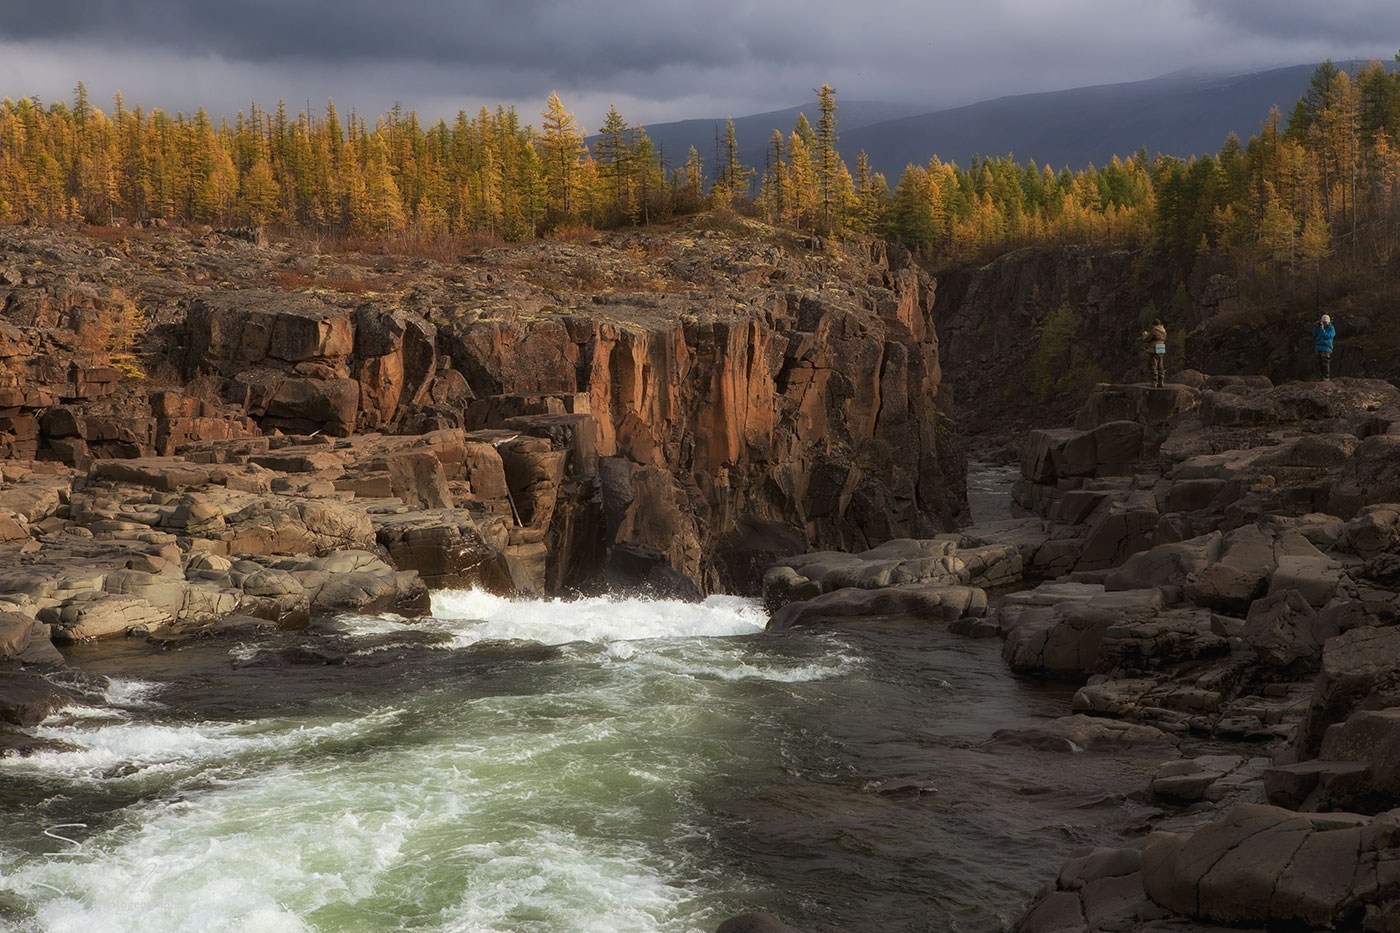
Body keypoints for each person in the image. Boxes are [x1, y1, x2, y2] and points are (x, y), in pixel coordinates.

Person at [1140, 318, 1167, 387]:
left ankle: (1154, 382)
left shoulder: (1154, 331)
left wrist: (1144, 335)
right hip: (1161, 349)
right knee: (1160, 366)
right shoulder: (1164, 331)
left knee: (1153, 365)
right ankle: (1161, 382)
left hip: (1154, 349)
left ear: (1154, 325)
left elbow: (1147, 339)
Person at [1312, 314, 1335, 381]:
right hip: (1318, 347)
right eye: (1323, 322)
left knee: (1325, 362)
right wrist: (1317, 327)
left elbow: (1327, 336)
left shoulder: (1331, 328)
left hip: (1326, 347)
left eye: (1325, 322)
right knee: (1319, 363)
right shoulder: (1319, 327)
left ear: (1328, 322)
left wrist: (1322, 330)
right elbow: (1314, 334)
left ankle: (1326, 376)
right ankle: (1320, 376)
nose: (1324, 324)